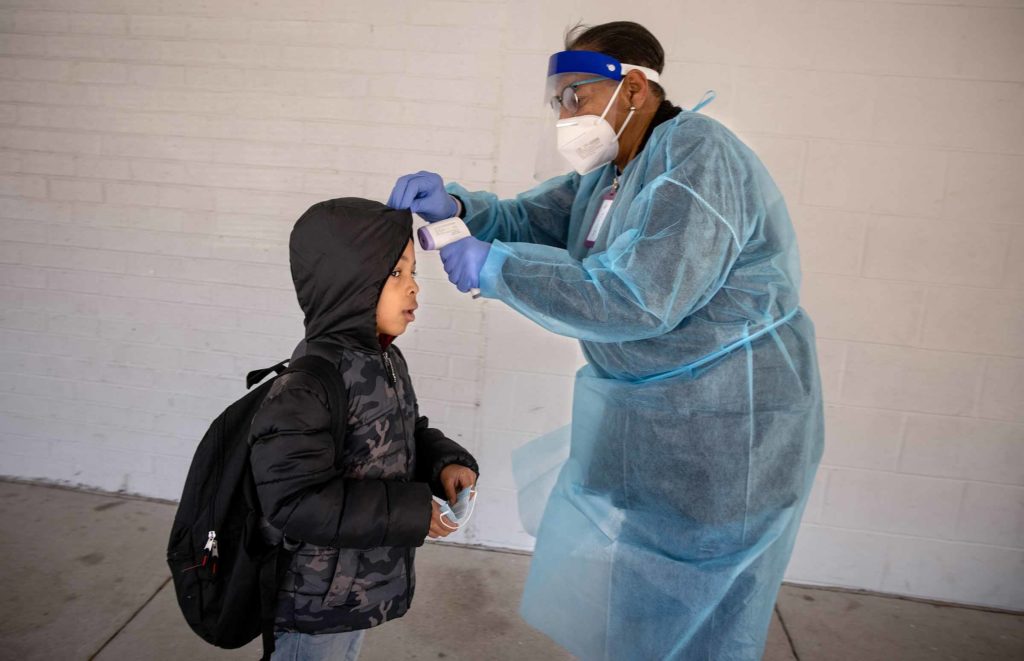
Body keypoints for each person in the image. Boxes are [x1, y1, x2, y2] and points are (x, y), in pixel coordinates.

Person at [388, 21, 823, 661]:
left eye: (577, 96)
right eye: (557, 101)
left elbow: (636, 297)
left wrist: (496, 268)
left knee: (701, 609)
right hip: (662, 419)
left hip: (729, 430)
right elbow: (531, 217)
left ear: (636, 88)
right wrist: (457, 207)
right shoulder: (616, 170)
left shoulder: (698, 159)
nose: (565, 115)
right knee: (650, 596)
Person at [249, 198, 479, 660]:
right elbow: (294, 502)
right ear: (348, 283)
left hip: (356, 588)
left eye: (413, 272)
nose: (414, 288)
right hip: (315, 600)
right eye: (396, 274)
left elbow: (405, 432)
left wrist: (446, 462)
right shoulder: (308, 386)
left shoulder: (384, 358)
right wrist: (413, 512)